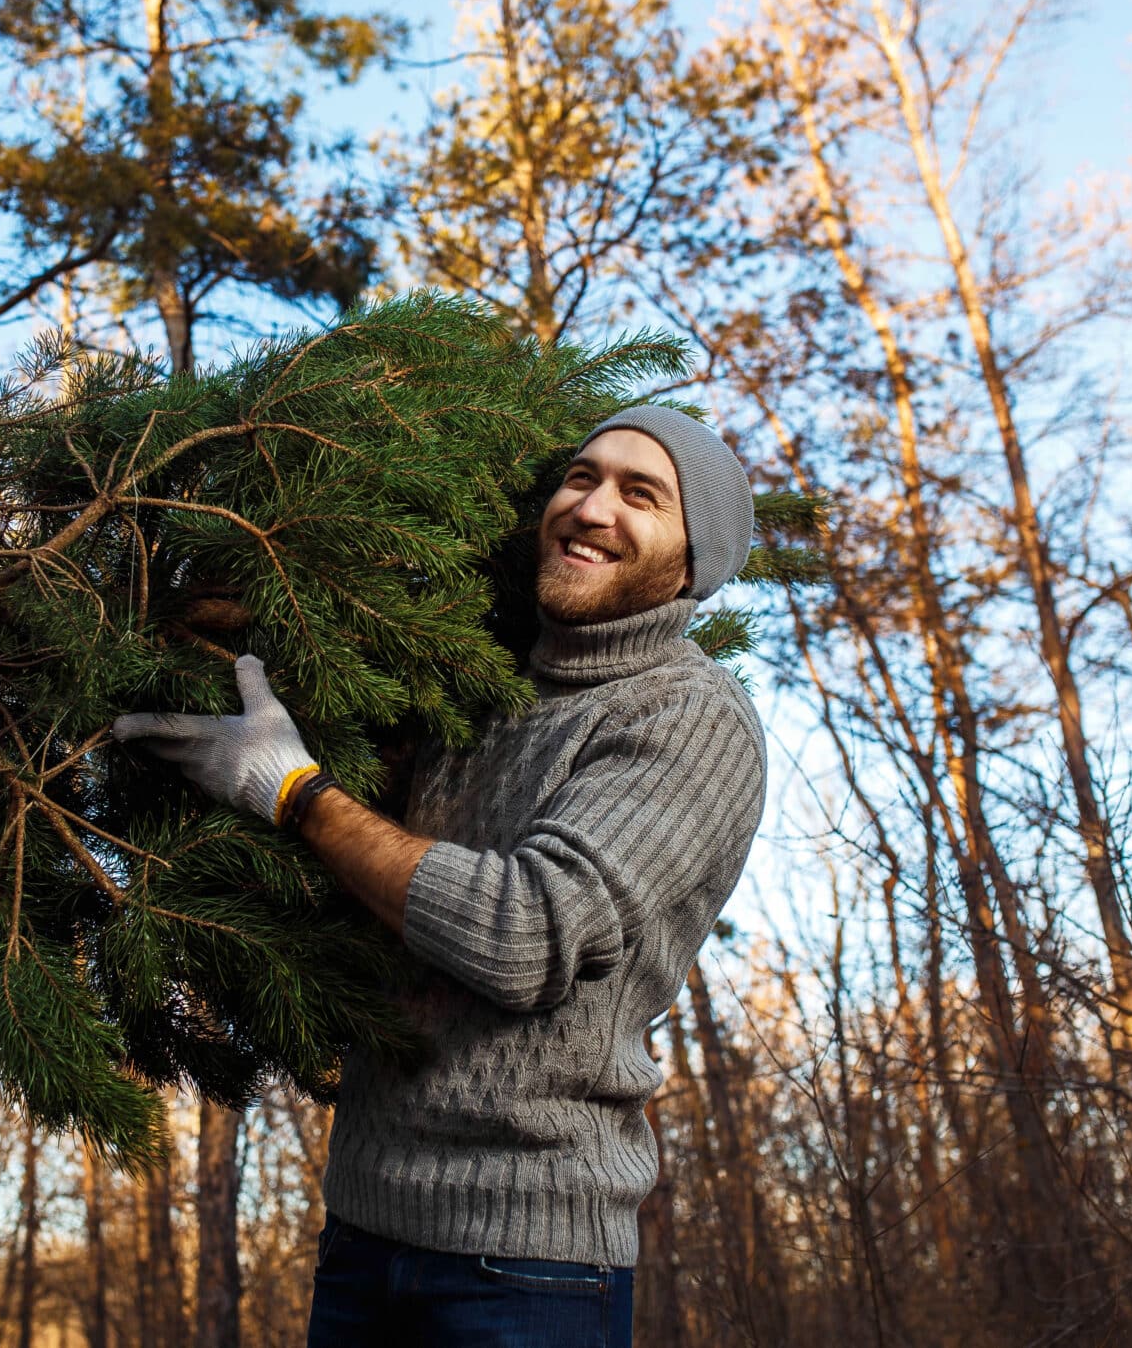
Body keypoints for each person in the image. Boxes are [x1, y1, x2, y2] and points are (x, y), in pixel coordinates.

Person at [112, 404, 766, 1348]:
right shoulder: (479, 683)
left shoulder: (686, 718)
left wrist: (294, 790)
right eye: (580, 478)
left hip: (529, 1270)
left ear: (695, 560)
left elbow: (526, 935)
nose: (590, 509)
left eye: (642, 495)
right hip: (362, 1239)